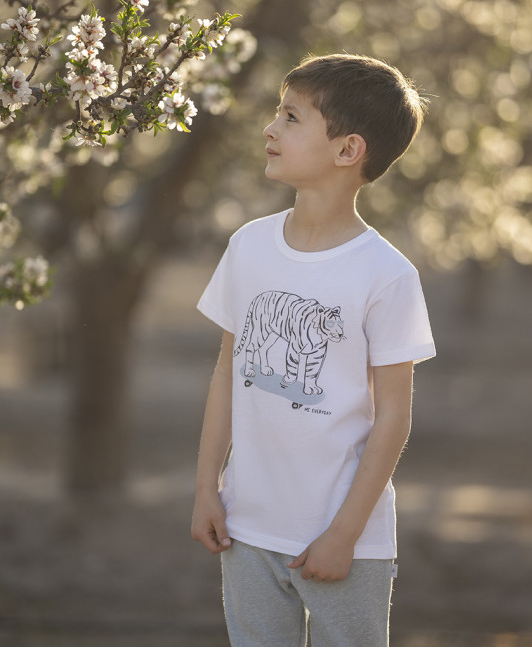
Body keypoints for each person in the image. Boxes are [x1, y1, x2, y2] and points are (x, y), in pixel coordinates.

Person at [191, 53, 436, 647]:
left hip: (341, 539)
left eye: (292, 118)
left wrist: (344, 534)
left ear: (347, 150)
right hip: (247, 529)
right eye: (279, 113)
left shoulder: (386, 275)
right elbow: (229, 370)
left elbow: (394, 417)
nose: (271, 129)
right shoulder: (248, 246)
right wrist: (206, 489)